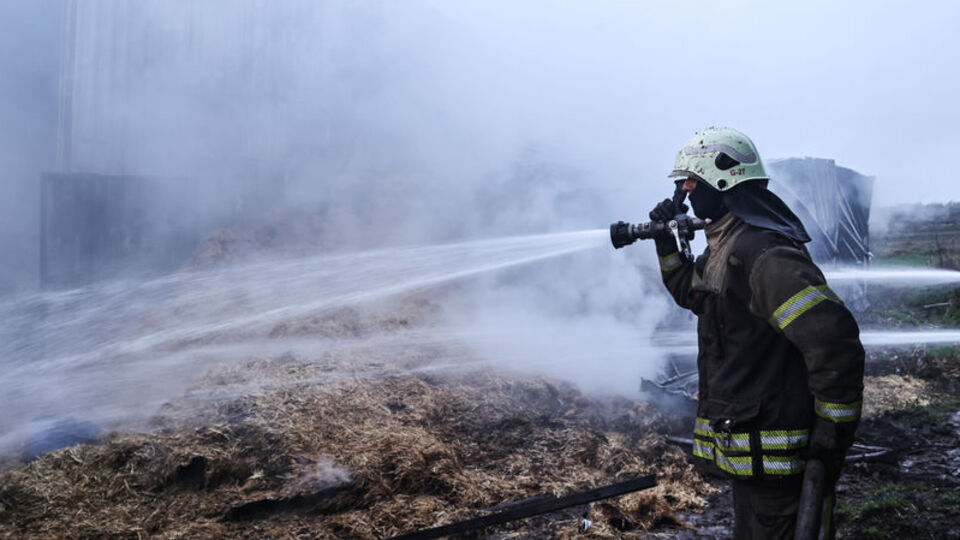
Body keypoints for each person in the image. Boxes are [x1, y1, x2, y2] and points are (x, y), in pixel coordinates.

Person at [648, 127, 865, 539]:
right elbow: (692, 294)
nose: (687, 194)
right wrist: (665, 244)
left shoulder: (763, 254)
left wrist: (829, 436)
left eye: (692, 183)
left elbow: (833, 341)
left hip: (780, 463)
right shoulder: (727, 249)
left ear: (723, 181)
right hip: (755, 459)